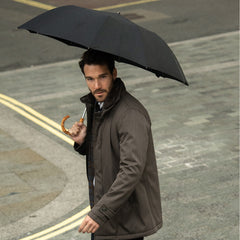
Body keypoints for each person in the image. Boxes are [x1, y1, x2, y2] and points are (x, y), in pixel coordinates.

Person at [69, 49, 162, 240]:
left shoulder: (130, 114)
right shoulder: (99, 107)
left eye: (102, 77)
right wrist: (84, 142)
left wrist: (100, 213)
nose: (97, 85)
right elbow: (105, 152)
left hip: (125, 223)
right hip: (107, 218)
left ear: (114, 74)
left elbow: (131, 170)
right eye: (90, 79)